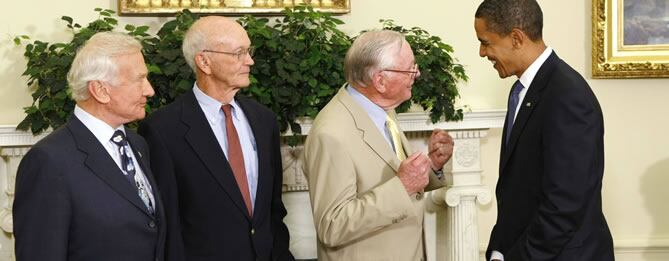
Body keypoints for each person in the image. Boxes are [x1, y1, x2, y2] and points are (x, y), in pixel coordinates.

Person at [138, 16, 294, 260]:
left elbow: (274, 209)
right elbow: (168, 222)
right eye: (239, 53)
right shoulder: (163, 129)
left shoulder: (264, 120)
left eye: (249, 51)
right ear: (204, 61)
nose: (250, 61)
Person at [474, 0, 614, 260]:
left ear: (516, 38)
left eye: (486, 42)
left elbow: (564, 206)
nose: (483, 53)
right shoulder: (524, 90)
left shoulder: (567, 96)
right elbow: (517, 190)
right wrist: (498, 250)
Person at [302, 30, 455, 261]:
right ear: (380, 80)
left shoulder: (382, 109)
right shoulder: (331, 134)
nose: (417, 73)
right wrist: (402, 186)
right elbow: (332, 226)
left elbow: (395, 181)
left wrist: (432, 165)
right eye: (410, 69)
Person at [13, 32, 164, 261]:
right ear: (100, 90)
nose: (149, 90)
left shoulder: (137, 144)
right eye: (138, 79)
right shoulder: (49, 161)